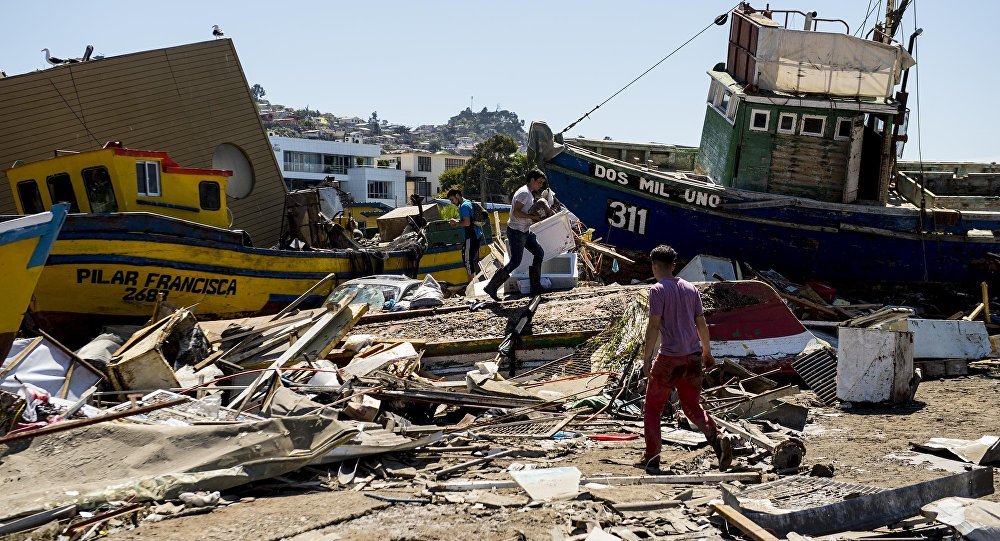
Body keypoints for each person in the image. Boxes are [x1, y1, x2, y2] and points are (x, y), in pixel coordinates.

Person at [640, 245, 732, 472]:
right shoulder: (691, 289)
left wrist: (646, 358)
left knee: (653, 408)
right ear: (674, 265)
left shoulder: (657, 290)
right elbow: (701, 322)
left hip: (669, 358)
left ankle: (652, 457)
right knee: (692, 406)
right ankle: (716, 438)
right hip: (691, 357)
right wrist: (706, 352)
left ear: (654, 266)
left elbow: (653, 326)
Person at [483, 169, 547, 301]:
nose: (540, 185)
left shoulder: (528, 193)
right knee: (515, 262)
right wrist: (532, 217)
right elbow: (516, 213)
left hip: (524, 230)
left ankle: (536, 287)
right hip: (517, 232)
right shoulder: (524, 193)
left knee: (539, 252)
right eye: (539, 182)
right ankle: (492, 287)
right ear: (532, 180)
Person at [446, 188, 482, 278]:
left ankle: (471, 284)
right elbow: (468, 220)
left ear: (457, 196)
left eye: (452, 199)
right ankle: (473, 282)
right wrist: (457, 222)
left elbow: (467, 222)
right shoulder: (468, 203)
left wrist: (457, 223)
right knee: (471, 260)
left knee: (468, 260)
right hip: (476, 235)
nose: (452, 202)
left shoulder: (463, 206)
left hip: (471, 236)